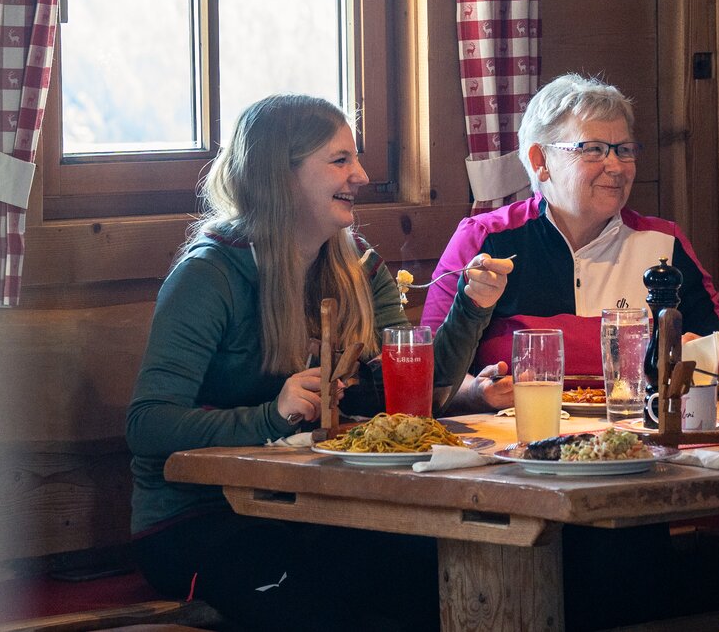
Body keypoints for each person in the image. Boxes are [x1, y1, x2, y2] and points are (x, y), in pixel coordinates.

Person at [124, 95, 510, 632]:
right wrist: (271, 414)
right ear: (279, 175)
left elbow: (411, 396)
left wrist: (472, 308)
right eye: (340, 160)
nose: (362, 174)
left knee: (437, 579)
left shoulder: (360, 268)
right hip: (203, 519)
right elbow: (147, 425)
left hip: (319, 506)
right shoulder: (209, 275)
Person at [421, 72, 719, 410]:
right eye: (593, 149)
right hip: (516, 441)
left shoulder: (664, 244)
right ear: (541, 161)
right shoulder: (484, 239)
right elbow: (429, 374)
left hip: (635, 434)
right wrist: (475, 393)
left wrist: (705, 353)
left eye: (624, 150)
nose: (617, 166)